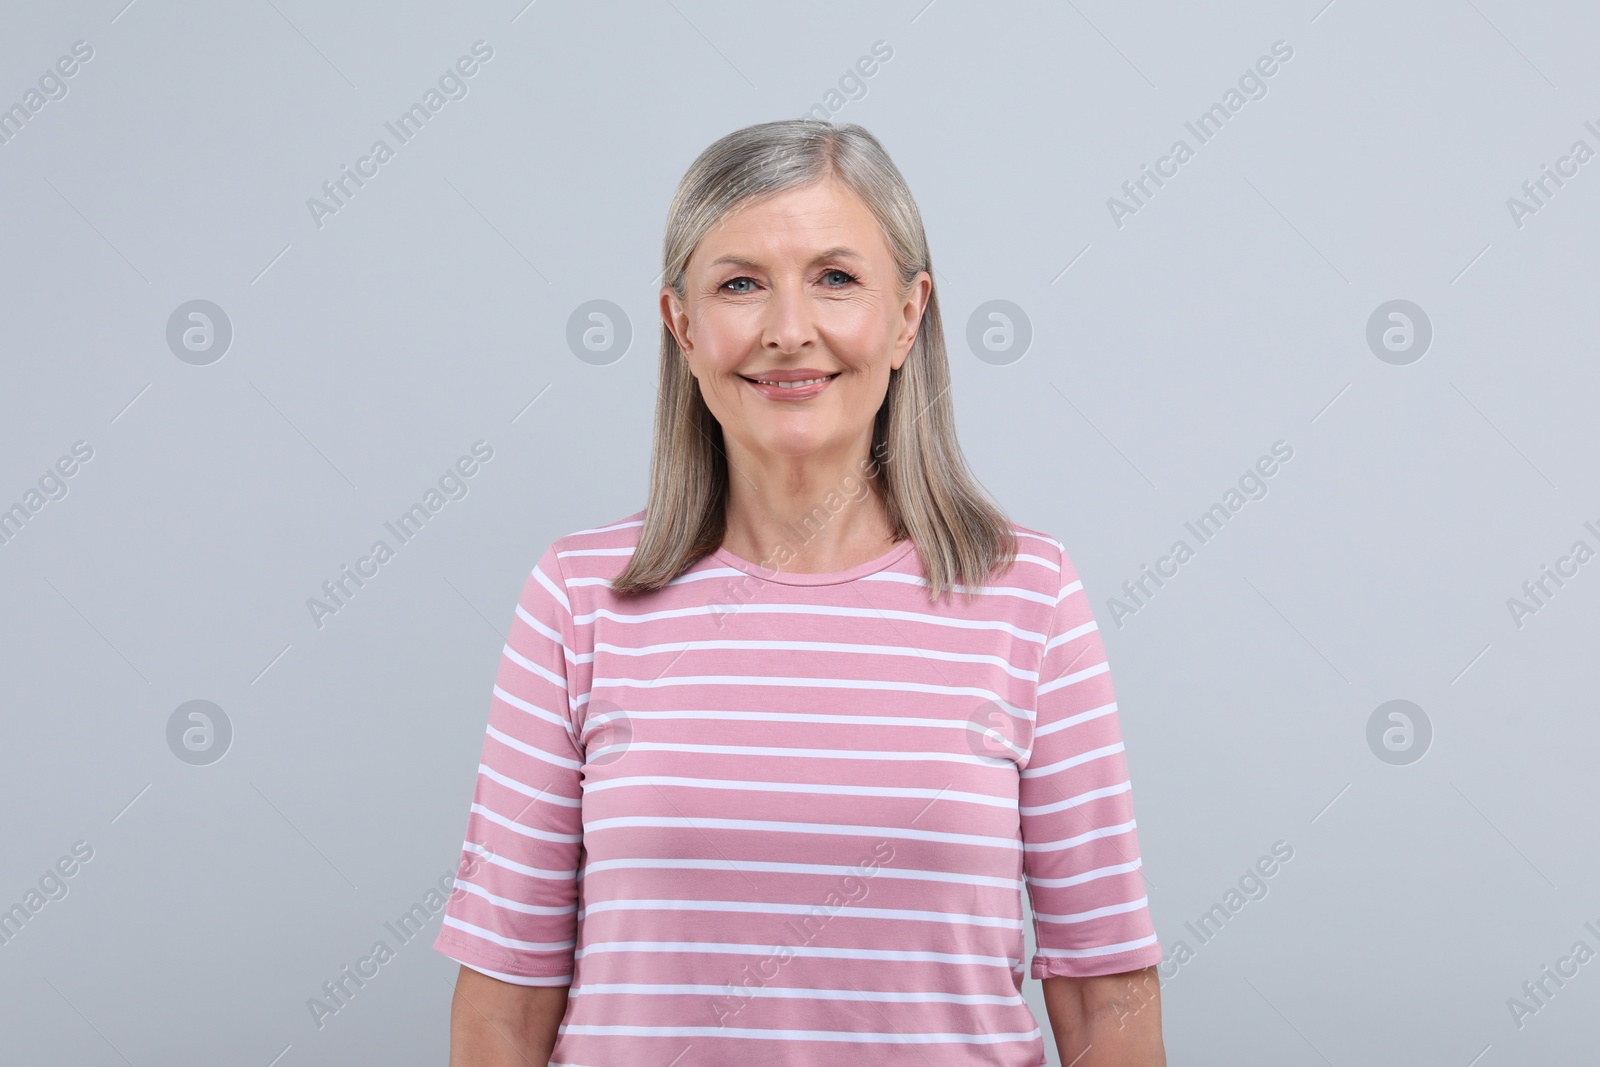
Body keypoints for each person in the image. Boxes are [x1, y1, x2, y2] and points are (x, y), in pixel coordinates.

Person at [434, 118, 1167, 1066]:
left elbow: (1106, 988)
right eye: (740, 283)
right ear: (682, 327)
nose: (788, 329)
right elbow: (502, 1002)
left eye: (836, 278)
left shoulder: (1029, 596)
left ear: (909, 316)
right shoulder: (578, 598)